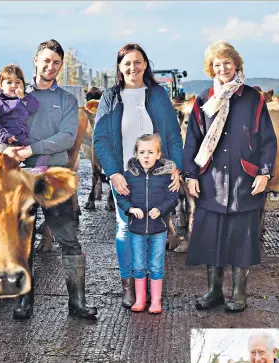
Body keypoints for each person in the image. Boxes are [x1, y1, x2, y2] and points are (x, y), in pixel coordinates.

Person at [0, 39, 97, 320]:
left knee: (69, 239)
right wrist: (4, 148)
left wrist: (30, 149)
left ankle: (77, 302)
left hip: (52, 177)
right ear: (35, 60)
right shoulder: (11, 90)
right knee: (22, 241)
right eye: (46, 60)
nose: (51, 66)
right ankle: (24, 301)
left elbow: (67, 138)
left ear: (60, 66)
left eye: (56, 62)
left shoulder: (67, 101)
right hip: (19, 177)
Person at [183, 41, 277, 313]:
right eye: (216, 64)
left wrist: (265, 171)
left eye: (227, 62)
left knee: (240, 238)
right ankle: (213, 292)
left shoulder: (252, 98)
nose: (222, 68)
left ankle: (239, 293)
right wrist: (191, 175)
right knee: (213, 237)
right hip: (211, 180)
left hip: (243, 180)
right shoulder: (204, 98)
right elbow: (193, 140)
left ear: (236, 64)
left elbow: (267, 139)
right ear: (210, 68)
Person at [93, 43, 183, 309]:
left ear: (146, 64)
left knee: (156, 229)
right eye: (126, 63)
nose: (133, 67)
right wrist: (113, 173)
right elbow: (100, 139)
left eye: (137, 62)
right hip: (125, 174)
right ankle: (129, 285)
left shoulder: (158, 95)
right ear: (120, 68)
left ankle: (151, 286)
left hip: (157, 174)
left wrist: (174, 167)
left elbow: (173, 136)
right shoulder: (110, 97)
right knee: (125, 228)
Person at [117, 134, 179, 314]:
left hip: (158, 228)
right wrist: (129, 209)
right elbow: (122, 197)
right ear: (136, 154)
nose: (146, 156)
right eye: (142, 152)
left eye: (150, 152)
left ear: (159, 155)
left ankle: (156, 301)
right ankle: (140, 299)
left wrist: (161, 209)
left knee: (156, 264)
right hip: (136, 228)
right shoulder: (129, 175)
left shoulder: (166, 177)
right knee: (138, 265)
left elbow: (173, 198)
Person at [0, 64, 49, 174]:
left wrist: (23, 97)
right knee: (6, 160)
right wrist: (5, 136)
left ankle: (39, 168)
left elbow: (35, 108)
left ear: (23, 84)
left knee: (44, 148)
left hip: (25, 138)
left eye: (18, 82)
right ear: (1, 85)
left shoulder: (25, 99)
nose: (14, 85)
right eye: (9, 82)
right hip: (7, 140)